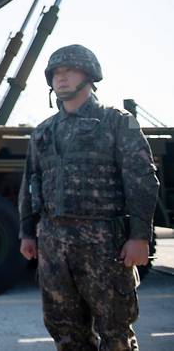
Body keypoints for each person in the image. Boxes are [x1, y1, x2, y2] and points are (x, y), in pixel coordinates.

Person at [18, 44, 160, 350]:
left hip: (104, 245)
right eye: (56, 73)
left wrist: (139, 236)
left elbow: (142, 180)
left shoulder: (116, 122)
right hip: (54, 248)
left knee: (115, 335)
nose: (61, 78)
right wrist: (27, 232)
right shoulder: (43, 132)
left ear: (89, 75)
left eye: (69, 70)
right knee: (66, 334)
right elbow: (31, 184)